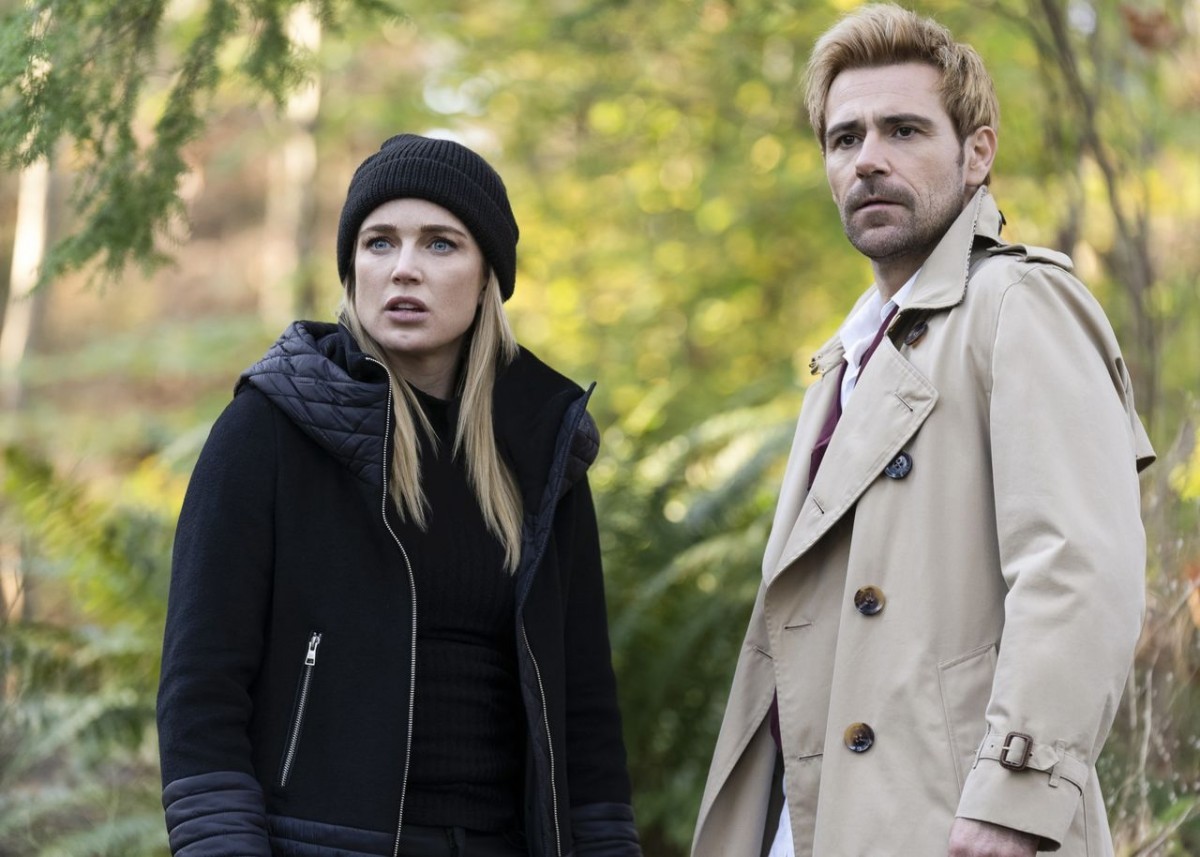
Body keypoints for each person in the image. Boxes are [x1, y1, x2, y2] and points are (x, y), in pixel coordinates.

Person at [691, 5, 1155, 857]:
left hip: (956, 823)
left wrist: (1014, 798)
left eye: (903, 130)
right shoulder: (845, 360)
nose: (868, 158)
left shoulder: (1019, 302)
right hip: (814, 824)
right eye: (845, 138)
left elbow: (1079, 568)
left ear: (977, 154)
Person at [157, 134, 642, 857]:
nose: (404, 268)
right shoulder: (269, 428)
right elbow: (202, 686)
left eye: (440, 244)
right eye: (379, 242)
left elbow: (585, 704)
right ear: (353, 268)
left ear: (488, 276)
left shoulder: (546, 449)